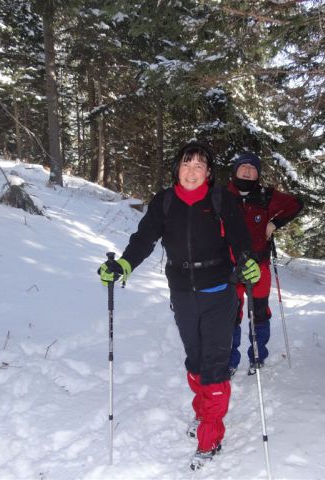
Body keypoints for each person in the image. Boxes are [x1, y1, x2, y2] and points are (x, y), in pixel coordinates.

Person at [98, 142, 260, 471]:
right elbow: (144, 238)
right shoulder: (165, 201)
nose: (192, 171)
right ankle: (203, 412)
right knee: (195, 360)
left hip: (219, 291)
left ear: (209, 173)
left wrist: (247, 262)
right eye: (186, 164)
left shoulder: (220, 199)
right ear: (177, 169)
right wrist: (124, 266)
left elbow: (242, 239)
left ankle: (210, 437)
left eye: (199, 165)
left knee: (214, 364)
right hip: (182, 292)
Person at [226, 152, 303, 375]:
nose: (248, 171)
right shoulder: (222, 195)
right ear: (235, 170)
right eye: (243, 166)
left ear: (257, 173)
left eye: (253, 168)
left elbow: (297, 204)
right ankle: (230, 360)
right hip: (229, 268)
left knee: (259, 312)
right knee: (230, 314)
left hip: (258, 267)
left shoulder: (266, 195)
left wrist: (275, 223)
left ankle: (258, 355)